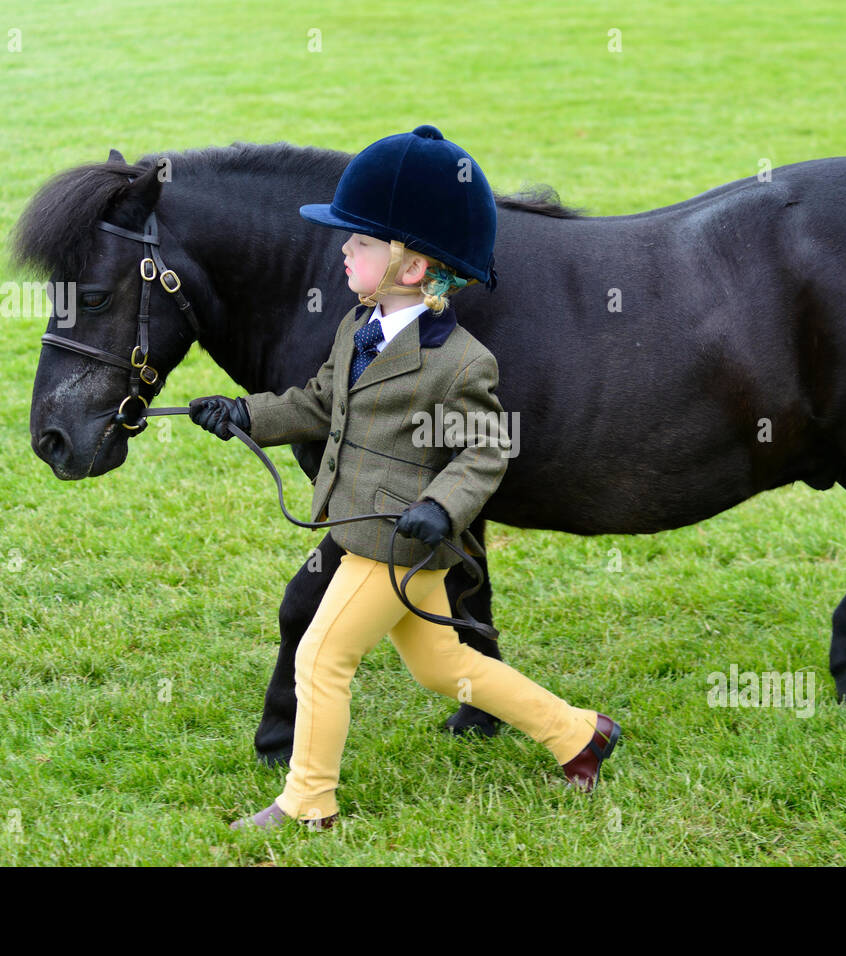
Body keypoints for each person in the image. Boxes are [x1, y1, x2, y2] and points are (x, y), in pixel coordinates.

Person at [190, 125, 621, 831]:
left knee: (323, 657)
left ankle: (307, 803)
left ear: (413, 267)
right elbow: (317, 403)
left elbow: (485, 451)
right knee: (441, 665)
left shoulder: (461, 362)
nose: (343, 252)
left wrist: (440, 508)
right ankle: (579, 733)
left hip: (395, 535)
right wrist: (243, 413)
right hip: (363, 525)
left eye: (358, 243)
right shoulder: (356, 327)